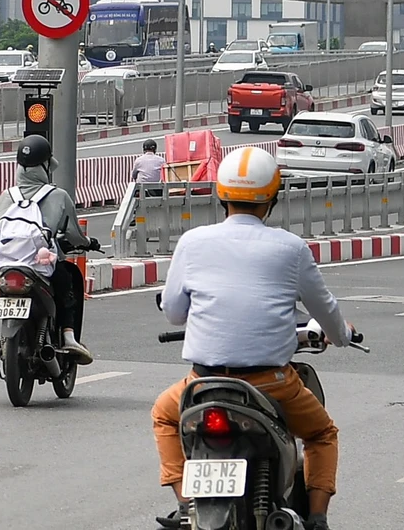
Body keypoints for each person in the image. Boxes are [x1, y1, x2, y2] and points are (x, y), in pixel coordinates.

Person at [153, 147, 355, 530]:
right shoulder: (291, 248)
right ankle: (316, 518)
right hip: (271, 384)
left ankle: (185, 504)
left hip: (203, 382)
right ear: (273, 199)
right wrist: (341, 335)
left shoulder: (193, 242)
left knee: (164, 414)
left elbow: (175, 312)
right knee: (322, 433)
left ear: (221, 194)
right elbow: (325, 308)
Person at [0, 134, 97, 363]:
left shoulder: (6, 196)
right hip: (40, 267)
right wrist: (87, 243)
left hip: (6, 265)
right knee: (67, 283)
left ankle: (5, 341)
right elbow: (73, 234)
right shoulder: (58, 196)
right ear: (45, 166)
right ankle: (69, 337)